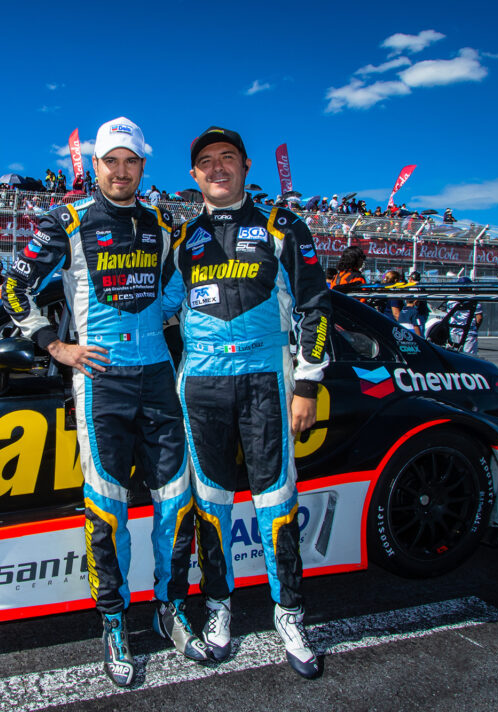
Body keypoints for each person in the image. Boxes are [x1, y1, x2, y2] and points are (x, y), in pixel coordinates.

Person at [2, 116, 205, 687]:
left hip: (158, 376)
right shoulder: (66, 221)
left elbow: (177, 291)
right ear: (95, 166)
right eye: (110, 161)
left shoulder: (163, 224)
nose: (120, 171)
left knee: (176, 500)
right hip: (99, 381)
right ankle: (114, 621)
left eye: (130, 161)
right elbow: (14, 288)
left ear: (143, 166)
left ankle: (171, 608)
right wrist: (55, 346)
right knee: (107, 507)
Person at [168, 126, 330, 679]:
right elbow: (153, 307)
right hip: (202, 385)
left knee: (276, 500)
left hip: (267, 382)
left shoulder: (283, 226)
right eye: (207, 161)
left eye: (228, 158)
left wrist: (307, 384)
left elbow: (315, 305)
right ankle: (218, 607)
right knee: (211, 503)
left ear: (245, 166)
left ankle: (290, 614)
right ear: (194, 175)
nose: (218, 168)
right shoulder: (181, 239)